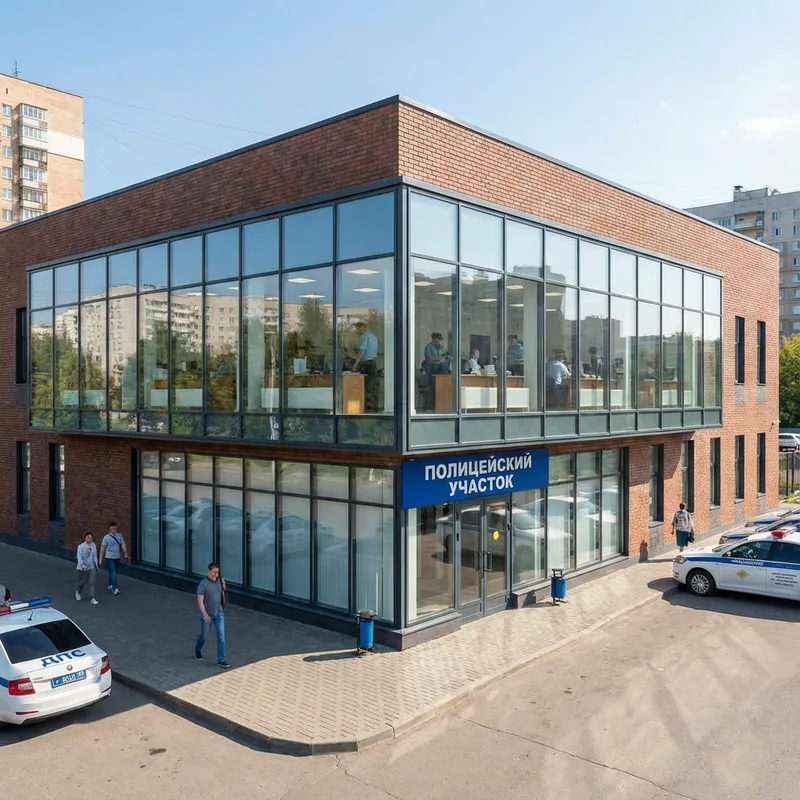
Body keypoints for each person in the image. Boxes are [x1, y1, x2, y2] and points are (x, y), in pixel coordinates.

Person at [195, 562, 231, 669]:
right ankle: (198, 649)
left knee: (221, 636)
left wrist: (224, 587)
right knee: (203, 636)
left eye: (217, 572)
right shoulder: (203, 584)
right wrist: (204, 614)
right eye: (214, 572)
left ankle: (222, 659)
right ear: (209, 571)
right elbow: (200, 600)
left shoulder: (220, 581)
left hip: (218, 613)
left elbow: (223, 594)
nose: (216, 574)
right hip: (207, 614)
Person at [352, 322, 379, 412]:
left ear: (364, 328)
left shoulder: (364, 336)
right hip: (373, 362)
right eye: (357, 329)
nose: (358, 330)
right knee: (370, 386)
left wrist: (355, 364)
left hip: (366, 363)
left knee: (359, 385)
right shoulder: (374, 337)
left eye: (359, 328)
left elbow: (361, 351)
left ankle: (360, 406)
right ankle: (370, 407)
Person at [99, 522, 128, 596]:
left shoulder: (119, 536)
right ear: (109, 529)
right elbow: (103, 548)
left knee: (113, 572)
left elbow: (123, 544)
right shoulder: (106, 537)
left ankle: (110, 584)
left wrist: (125, 554)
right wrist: (100, 559)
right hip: (109, 557)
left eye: (115, 529)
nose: (113, 530)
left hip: (117, 557)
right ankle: (115, 588)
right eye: (112, 529)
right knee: (113, 572)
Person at [75, 532, 100, 605]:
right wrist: (82, 565)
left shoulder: (93, 545)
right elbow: (79, 556)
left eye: (91, 538)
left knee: (92, 582)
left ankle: (92, 597)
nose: (90, 540)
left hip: (91, 566)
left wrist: (96, 565)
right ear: (85, 538)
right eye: (88, 538)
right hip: (83, 567)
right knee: (82, 581)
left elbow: (95, 555)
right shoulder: (81, 546)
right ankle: (78, 592)